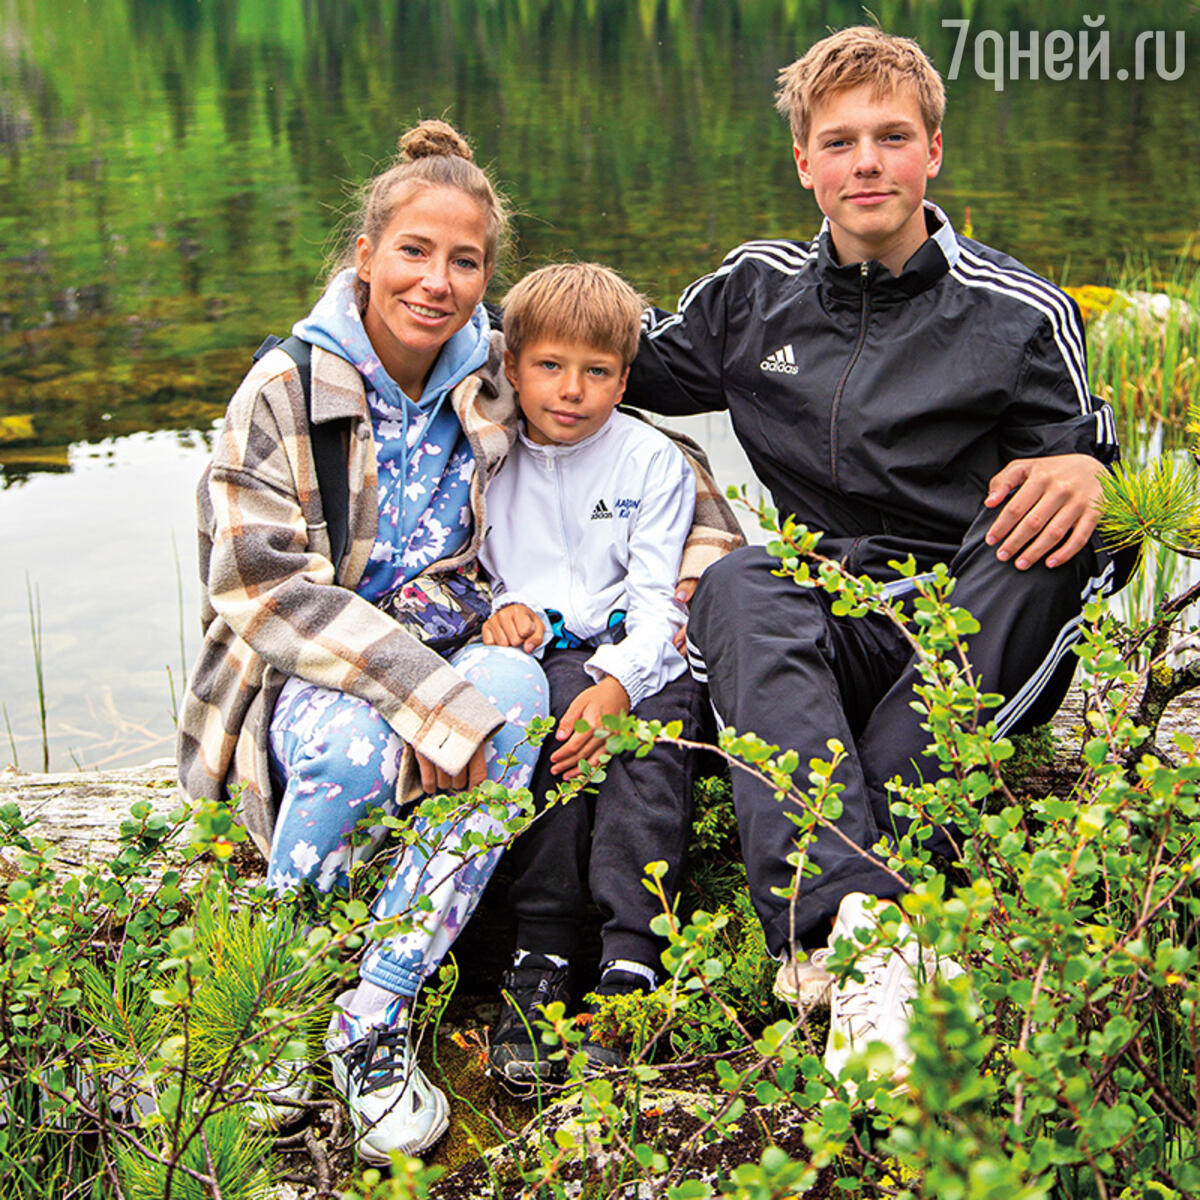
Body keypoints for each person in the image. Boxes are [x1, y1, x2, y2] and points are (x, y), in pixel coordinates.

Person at [178, 121, 739, 1159]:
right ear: (365, 256)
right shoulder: (290, 389)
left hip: (463, 646)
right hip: (318, 663)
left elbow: (642, 461)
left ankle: (374, 1014)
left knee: (519, 690)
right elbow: (259, 589)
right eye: (415, 253)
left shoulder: (489, 371)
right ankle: (285, 986)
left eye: (466, 262)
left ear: (489, 276)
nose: (437, 282)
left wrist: (699, 585)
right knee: (365, 744)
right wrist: (425, 702)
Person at [624, 26, 1129, 1092]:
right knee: (734, 581)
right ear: (803, 163)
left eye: (891, 137)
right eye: (839, 141)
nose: (867, 162)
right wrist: (440, 309)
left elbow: (1105, 539)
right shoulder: (751, 295)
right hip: (836, 610)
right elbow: (602, 360)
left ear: (933, 151)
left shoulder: (1021, 313)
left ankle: (839, 918)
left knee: (1037, 537)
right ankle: (866, 931)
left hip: (969, 624)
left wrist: (1097, 476)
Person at [473, 263, 716, 1090]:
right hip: (542, 657)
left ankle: (631, 963)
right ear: (513, 365)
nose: (571, 391)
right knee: (543, 742)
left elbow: (658, 602)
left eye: (598, 372)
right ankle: (540, 951)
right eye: (549, 366)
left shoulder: (650, 460)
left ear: (626, 373)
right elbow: (477, 568)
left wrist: (615, 684)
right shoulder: (490, 461)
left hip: (645, 656)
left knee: (643, 754)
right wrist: (501, 612)